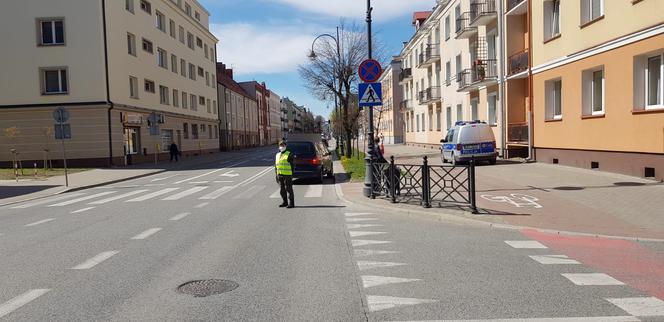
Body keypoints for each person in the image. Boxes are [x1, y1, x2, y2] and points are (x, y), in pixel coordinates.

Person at [275, 140, 295, 208]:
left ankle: (291, 203)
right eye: (280, 145)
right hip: (280, 175)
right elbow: (276, 166)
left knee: (289, 189)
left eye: (283, 145)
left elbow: (292, 165)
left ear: (285, 146)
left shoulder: (289, 154)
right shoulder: (277, 155)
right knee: (282, 189)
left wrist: (292, 174)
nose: (281, 147)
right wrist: (276, 175)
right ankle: (285, 202)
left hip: (287, 175)